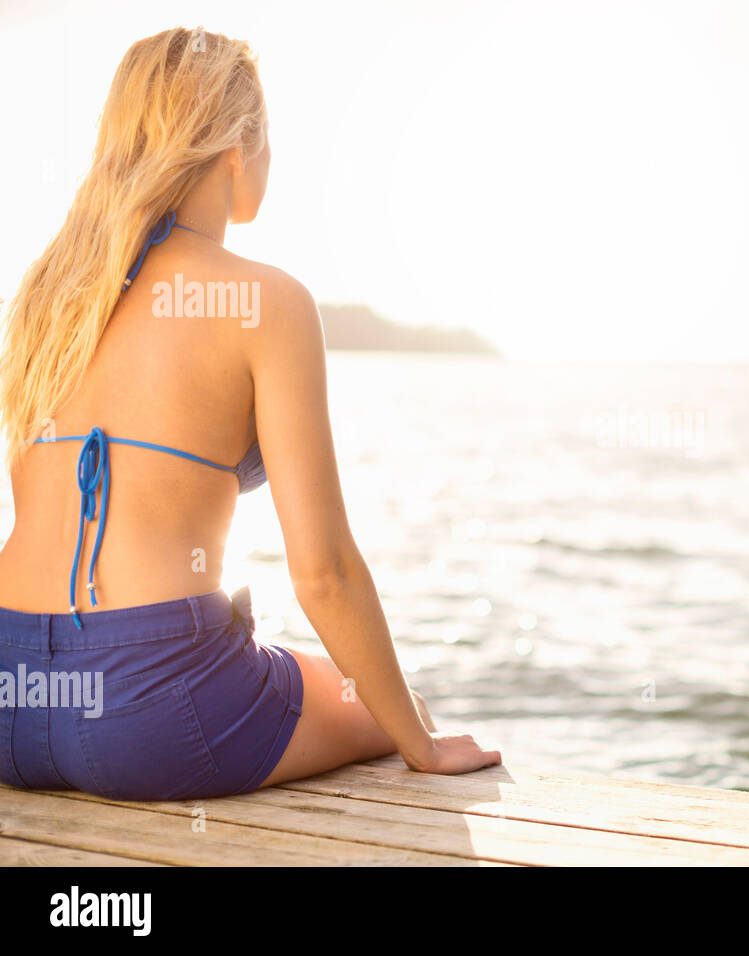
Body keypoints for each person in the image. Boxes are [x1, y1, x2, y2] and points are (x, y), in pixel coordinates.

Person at [0, 27, 500, 801]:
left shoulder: (50, 297)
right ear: (239, 146)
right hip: (152, 710)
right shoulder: (268, 302)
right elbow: (323, 573)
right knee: (383, 704)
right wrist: (420, 743)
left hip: (12, 691)